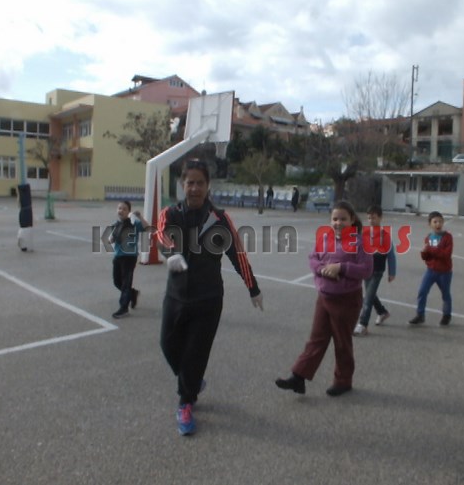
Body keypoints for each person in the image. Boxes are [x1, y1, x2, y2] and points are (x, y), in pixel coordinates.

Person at [155, 159, 263, 436]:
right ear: (182, 184)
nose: (194, 188)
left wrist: (253, 288)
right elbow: (161, 234)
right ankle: (191, 381)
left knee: (195, 354)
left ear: (208, 186)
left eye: (200, 183)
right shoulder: (171, 214)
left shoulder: (219, 219)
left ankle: (185, 402)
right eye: (190, 182)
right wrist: (171, 253)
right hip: (176, 296)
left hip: (208, 299)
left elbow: (237, 254)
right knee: (167, 344)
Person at [275, 201, 373, 397]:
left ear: (352, 220)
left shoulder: (360, 242)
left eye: (343, 219)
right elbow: (313, 259)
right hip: (324, 298)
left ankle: (343, 381)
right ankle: (298, 377)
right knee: (316, 339)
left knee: (342, 343)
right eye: (335, 219)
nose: (338, 223)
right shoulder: (325, 238)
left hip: (346, 300)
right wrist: (322, 269)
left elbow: (366, 270)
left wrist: (341, 267)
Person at [353, 205, 397, 337]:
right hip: (366, 269)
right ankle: (382, 312)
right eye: (369, 218)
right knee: (370, 295)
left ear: (380, 218)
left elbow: (391, 255)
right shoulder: (364, 233)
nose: (371, 220)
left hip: (378, 270)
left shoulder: (385, 236)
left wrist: (392, 272)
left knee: (367, 298)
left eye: (374, 218)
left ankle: (363, 324)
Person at [408, 211, 453, 326]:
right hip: (431, 270)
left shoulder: (447, 237)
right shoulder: (428, 238)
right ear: (430, 224)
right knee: (422, 291)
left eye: (440, 221)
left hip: (444, 272)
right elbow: (427, 257)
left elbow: (446, 255)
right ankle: (420, 315)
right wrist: (424, 253)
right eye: (435, 222)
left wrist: (431, 250)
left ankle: (446, 315)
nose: (438, 224)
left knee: (445, 294)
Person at [108, 200, 148, 319]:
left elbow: (147, 228)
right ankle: (132, 293)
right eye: (119, 208)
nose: (121, 210)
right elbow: (111, 239)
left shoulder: (134, 223)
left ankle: (123, 307)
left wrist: (140, 216)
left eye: (124, 209)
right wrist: (111, 239)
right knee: (117, 282)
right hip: (118, 256)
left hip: (129, 257)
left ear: (129, 212)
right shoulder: (116, 224)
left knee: (126, 283)